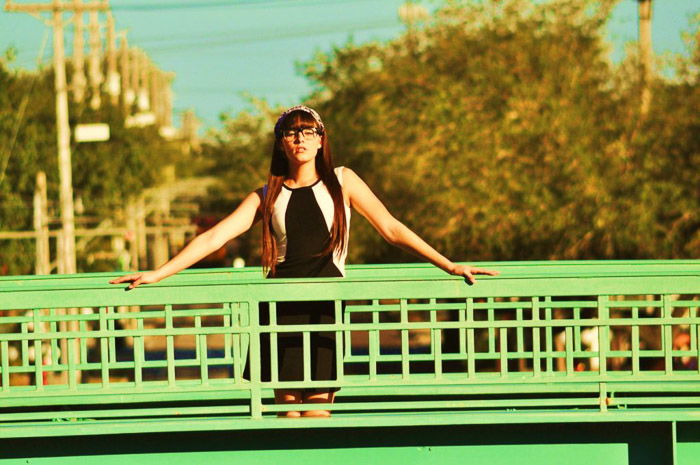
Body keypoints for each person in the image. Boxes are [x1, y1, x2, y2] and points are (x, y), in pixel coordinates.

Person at [110, 105, 499, 417]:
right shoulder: (266, 194)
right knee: (287, 413)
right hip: (280, 309)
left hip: (324, 307)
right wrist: (159, 273)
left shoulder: (342, 181)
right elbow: (216, 235)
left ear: (321, 140)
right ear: (281, 143)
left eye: (307, 130)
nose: (299, 138)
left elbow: (391, 228)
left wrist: (447, 264)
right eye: (291, 132)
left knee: (317, 410)